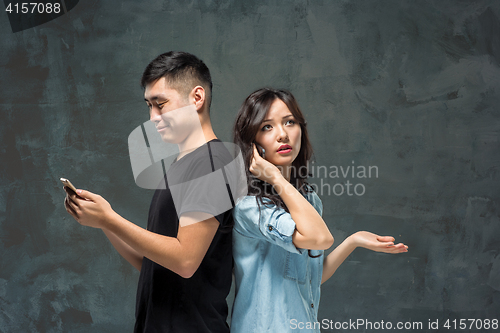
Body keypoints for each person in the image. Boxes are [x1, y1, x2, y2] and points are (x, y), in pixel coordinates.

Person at [64, 51, 236, 333]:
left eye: (161, 104)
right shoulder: (182, 166)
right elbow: (151, 263)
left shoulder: (211, 163)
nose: (153, 117)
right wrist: (103, 222)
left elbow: (185, 260)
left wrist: (109, 219)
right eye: (149, 106)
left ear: (197, 98)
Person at [231, 88, 408, 332]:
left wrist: (352, 241)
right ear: (253, 143)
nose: (283, 134)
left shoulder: (308, 199)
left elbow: (309, 277)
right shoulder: (250, 207)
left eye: (289, 122)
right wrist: (276, 178)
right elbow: (320, 238)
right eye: (267, 127)